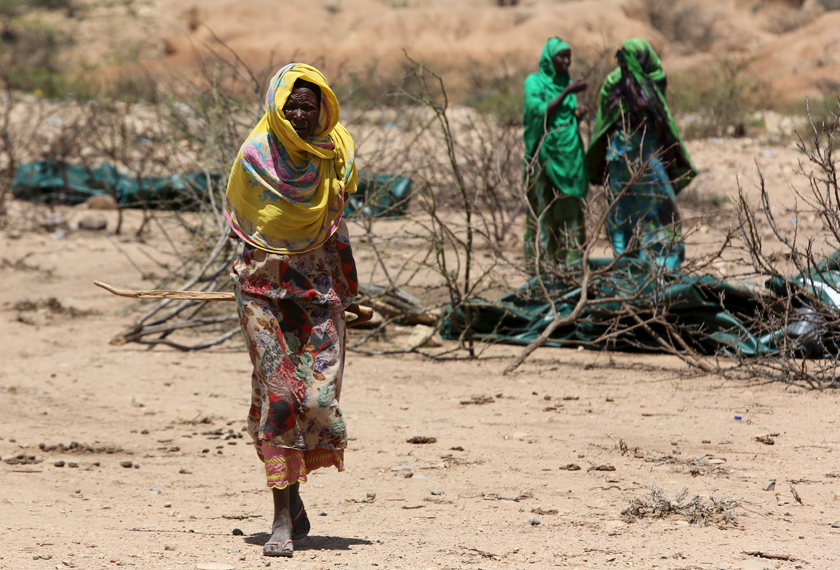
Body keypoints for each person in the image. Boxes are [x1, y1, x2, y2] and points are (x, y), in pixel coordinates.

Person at [224, 63, 358, 558]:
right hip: (260, 290)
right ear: (276, 107)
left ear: (323, 108)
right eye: (291, 105)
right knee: (280, 394)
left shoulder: (334, 155)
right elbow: (245, 225)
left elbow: (337, 229)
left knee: (318, 399)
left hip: (318, 292)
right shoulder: (254, 157)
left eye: (309, 105)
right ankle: (281, 517)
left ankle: (294, 498)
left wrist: (350, 288)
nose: (300, 114)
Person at [587, 38, 697, 270]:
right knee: (657, 209)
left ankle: (627, 265)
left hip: (618, 156)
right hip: (643, 156)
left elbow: (605, 120)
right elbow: (659, 118)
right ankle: (662, 266)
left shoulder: (615, 81)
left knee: (623, 212)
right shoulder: (648, 81)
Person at [522, 37, 589, 266]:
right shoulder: (534, 82)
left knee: (570, 213)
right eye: (562, 56)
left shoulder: (565, 84)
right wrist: (568, 91)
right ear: (549, 59)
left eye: (569, 57)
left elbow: (562, 121)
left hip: (569, 158)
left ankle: (571, 267)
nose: (567, 62)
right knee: (544, 212)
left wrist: (576, 117)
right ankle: (542, 271)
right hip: (543, 157)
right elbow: (540, 112)